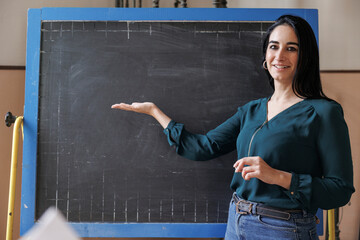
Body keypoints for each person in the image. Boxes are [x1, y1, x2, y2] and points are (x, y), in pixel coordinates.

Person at [111, 15, 354, 239]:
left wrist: (279, 177)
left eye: (291, 48)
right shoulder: (251, 110)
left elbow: (340, 190)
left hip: (283, 228)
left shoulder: (323, 112)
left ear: (306, 57)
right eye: (273, 46)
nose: (279, 56)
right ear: (264, 57)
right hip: (237, 220)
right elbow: (204, 147)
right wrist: (155, 111)